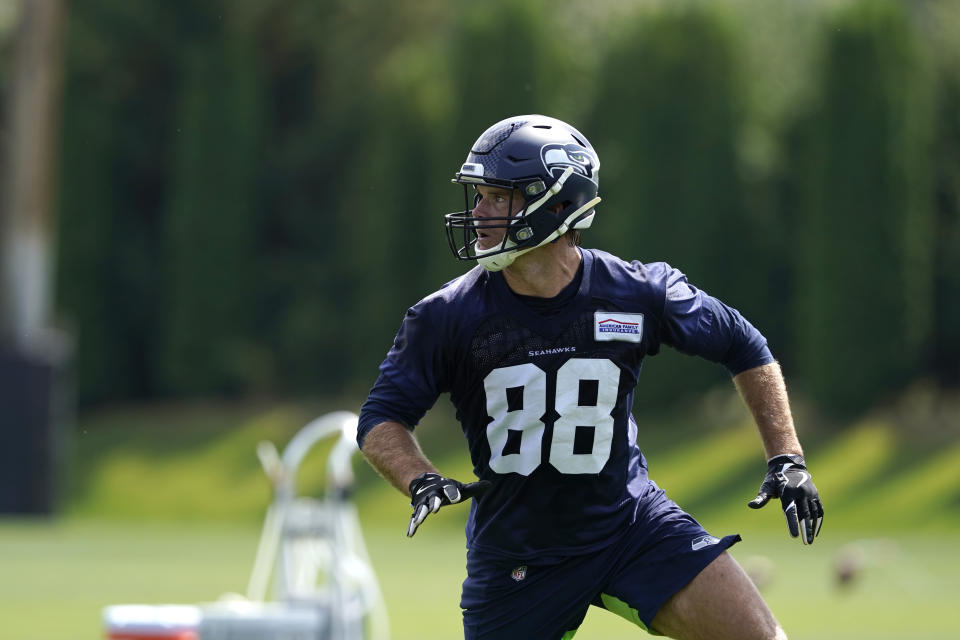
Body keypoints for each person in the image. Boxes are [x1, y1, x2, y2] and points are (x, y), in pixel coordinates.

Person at [357, 114, 823, 640]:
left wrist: (786, 457)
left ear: (557, 204)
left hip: (629, 527)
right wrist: (419, 478)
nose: (479, 213)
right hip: (519, 557)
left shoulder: (636, 292)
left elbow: (745, 345)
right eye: (479, 196)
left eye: (497, 197)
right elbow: (381, 418)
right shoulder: (447, 316)